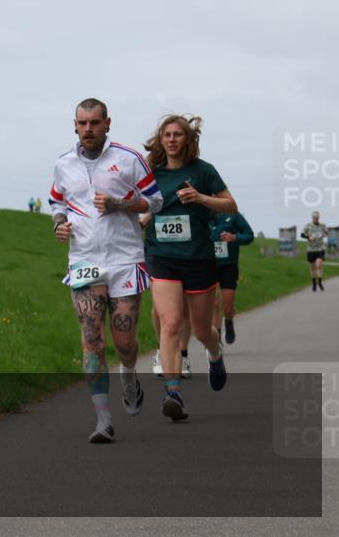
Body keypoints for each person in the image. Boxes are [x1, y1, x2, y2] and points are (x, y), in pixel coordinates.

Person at [50, 98, 162, 442]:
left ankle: (128, 373)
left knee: (124, 341)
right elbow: (57, 203)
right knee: (92, 339)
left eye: (94, 123)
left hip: (124, 259)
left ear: (107, 124)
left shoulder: (129, 159)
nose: (88, 129)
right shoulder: (63, 164)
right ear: (74, 125)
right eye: (82, 123)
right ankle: (103, 419)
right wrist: (59, 225)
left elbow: (156, 201)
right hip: (84, 260)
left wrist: (121, 204)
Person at [142, 115, 237, 421]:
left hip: (198, 257)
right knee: (170, 323)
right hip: (162, 256)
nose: (172, 139)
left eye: (178, 134)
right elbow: (148, 207)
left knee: (200, 329)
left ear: (188, 139)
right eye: (167, 135)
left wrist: (200, 198)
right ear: (161, 140)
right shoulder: (152, 174)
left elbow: (231, 205)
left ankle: (214, 353)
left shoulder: (203, 171)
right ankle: (173, 393)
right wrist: (141, 220)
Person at [209, 210, 255, 343]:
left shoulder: (232, 214)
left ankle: (229, 321)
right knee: (214, 304)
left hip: (228, 266)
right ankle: (216, 340)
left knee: (227, 308)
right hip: (207, 265)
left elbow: (249, 235)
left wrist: (235, 238)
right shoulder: (201, 213)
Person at [301, 211, 328, 292]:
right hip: (311, 249)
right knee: (313, 268)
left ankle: (319, 282)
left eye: (317, 218)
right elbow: (302, 234)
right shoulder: (308, 225)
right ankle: (314, 283)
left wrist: (324, 234)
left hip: (320, 248)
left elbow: (326, 233)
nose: (316, 219)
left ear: (318, 218)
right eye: (314, 218)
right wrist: (308, 237)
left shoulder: (322, 225)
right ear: (312, 218)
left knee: (319, 265)